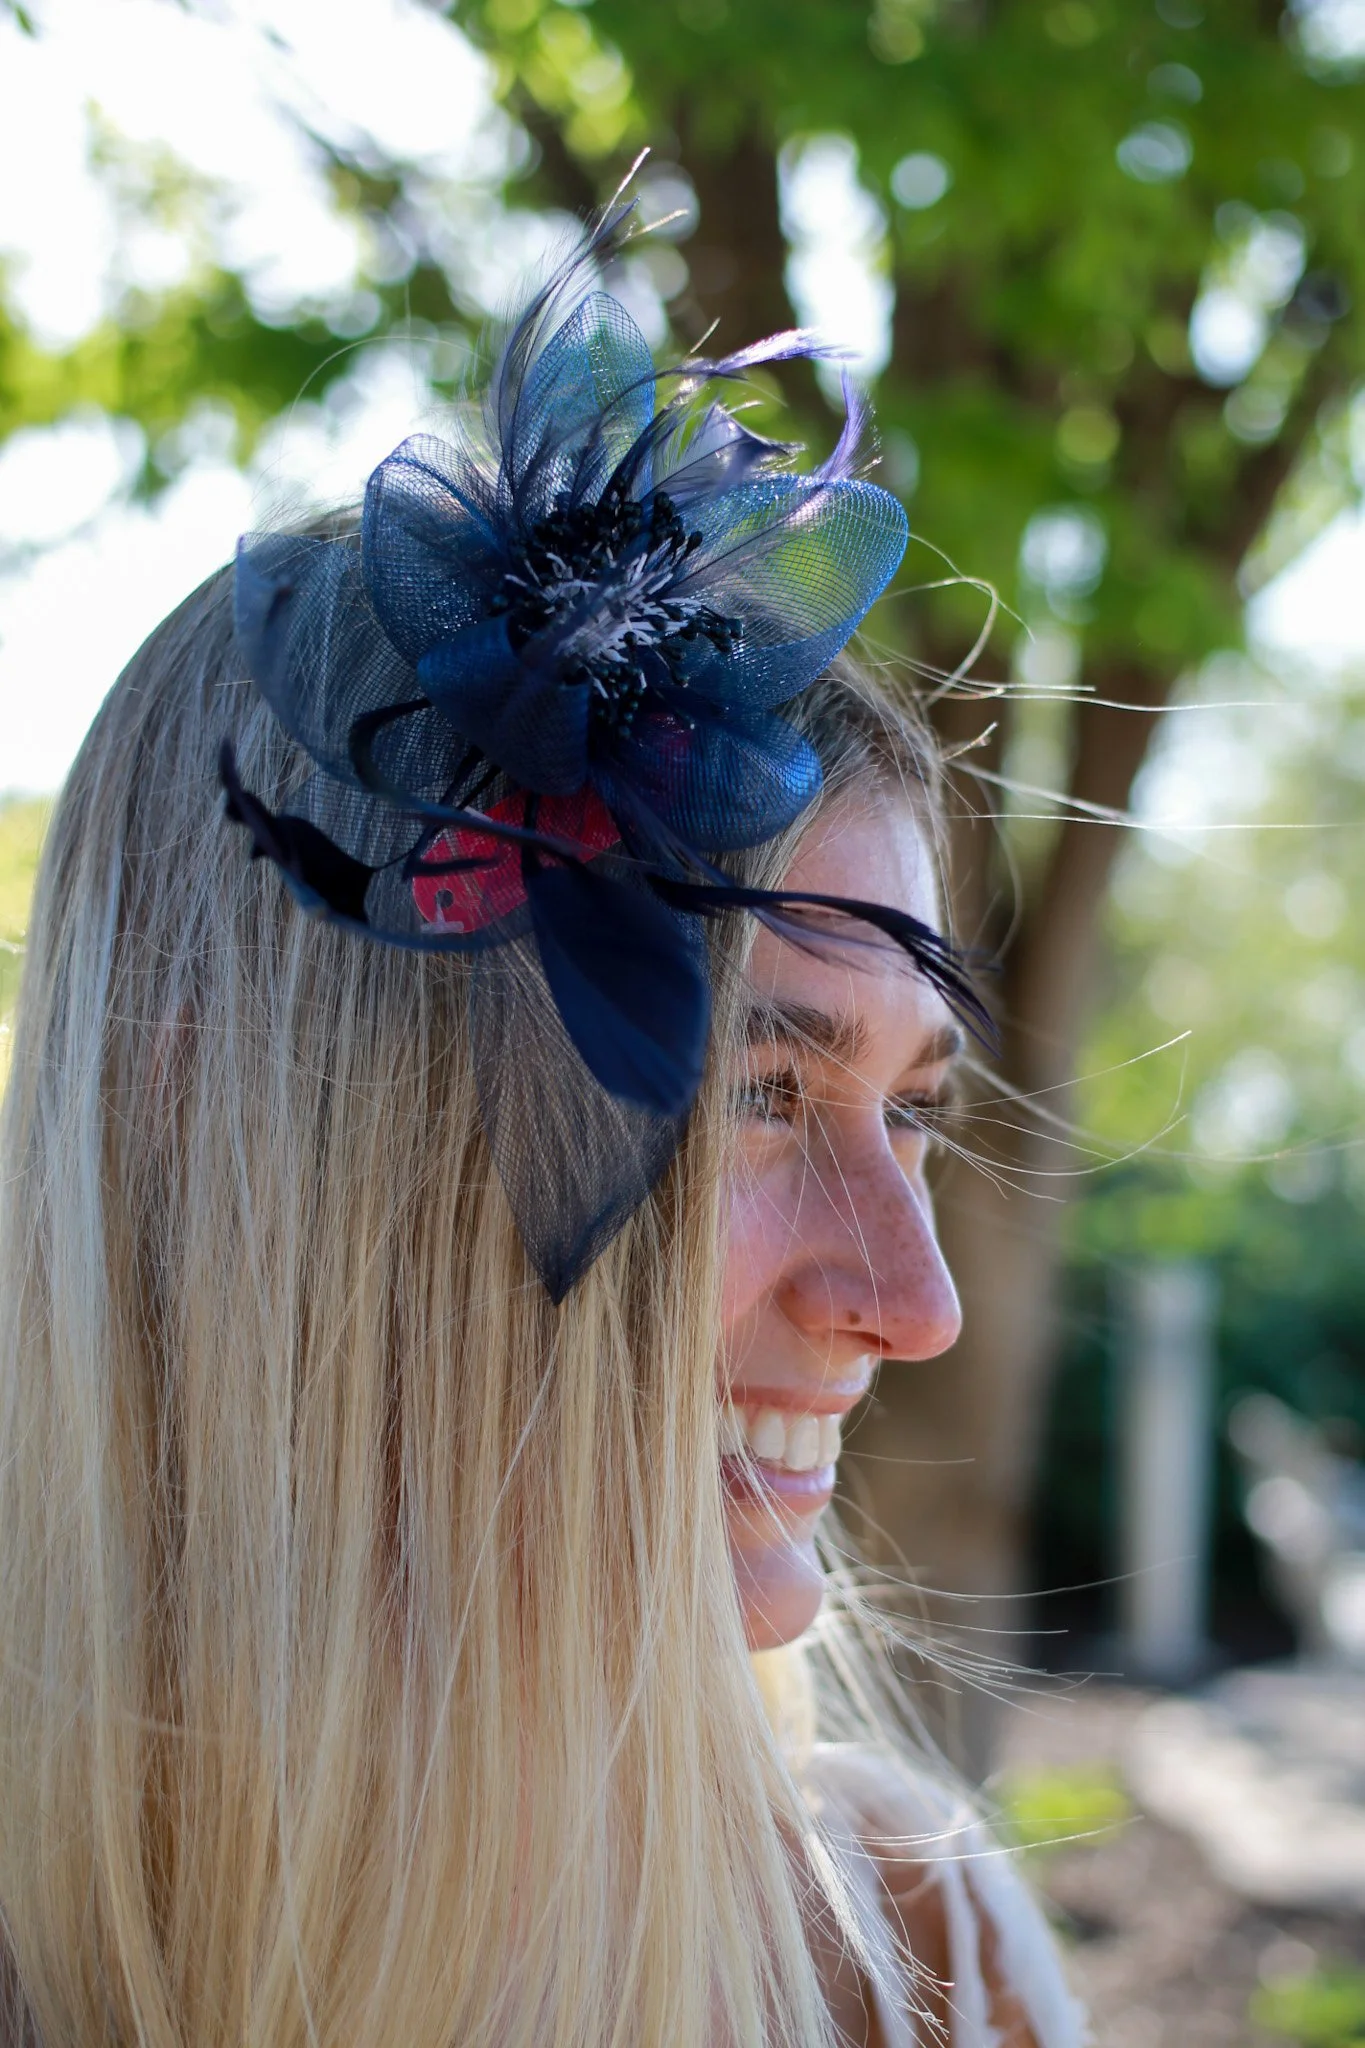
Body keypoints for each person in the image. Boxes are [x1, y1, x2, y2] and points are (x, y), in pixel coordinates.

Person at [0, 203, 1086, 2046]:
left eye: (911, 1114)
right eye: (755, 1084)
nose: (914, 1303)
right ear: (270, 1143)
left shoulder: (910, 1955)